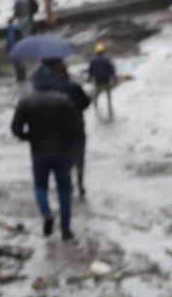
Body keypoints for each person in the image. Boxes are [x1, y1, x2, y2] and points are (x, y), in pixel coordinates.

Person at [11, 75, 83, 241]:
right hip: (62, 153)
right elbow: (75, 126)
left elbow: (15, 128)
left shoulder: (25, 102)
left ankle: (46, 213)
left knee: (40, 187)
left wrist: (28, 137)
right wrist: (69, 142)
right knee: (65, 190)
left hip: (39, 153)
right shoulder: (63, 100)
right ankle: (66, 230)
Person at [31, 59, 91, 198]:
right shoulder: (73, 87)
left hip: (57, 131)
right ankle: (80, 184)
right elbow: (85, 104)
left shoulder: (48, 89)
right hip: (77, 128)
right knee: (79, 157)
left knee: (64, 159)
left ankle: (66, 185)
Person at [87, 42, 116, 120]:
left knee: (96, 95)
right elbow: (111, 69)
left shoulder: (93, 59)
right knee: (108, 96)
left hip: (97, 81)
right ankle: (110, 109)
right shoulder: (107, 59)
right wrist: (113, 77)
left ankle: (96, 107)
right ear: (103, 50)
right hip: (106, 80)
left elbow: (90, 70)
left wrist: (89, 78)